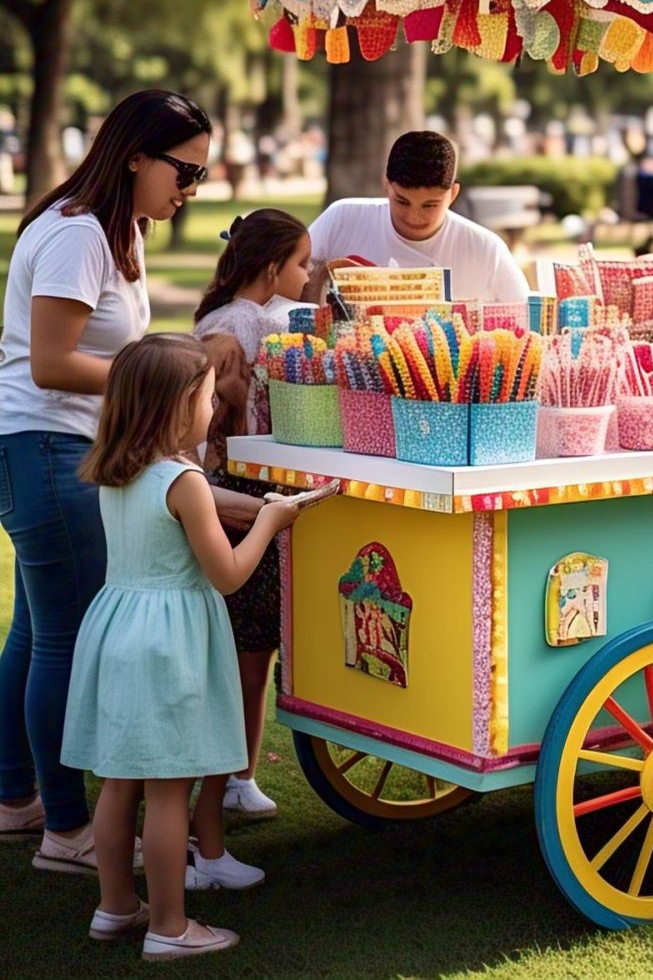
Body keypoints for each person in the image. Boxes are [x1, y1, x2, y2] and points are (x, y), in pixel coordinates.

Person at [0, 89, 212, 869]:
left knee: (35, 632)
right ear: (134, 155)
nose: (189, 191)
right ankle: (65, 829)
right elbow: (51, 362)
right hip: (47, 448)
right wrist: (155, 377)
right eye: (184, 172)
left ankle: (16, 799)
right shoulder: (76, 233)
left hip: (54, 448)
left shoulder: (119, 230)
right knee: (65, 637)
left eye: (200, 175)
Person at [61, 336, 306, 958]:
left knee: (120, 784)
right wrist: (273, 524)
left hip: (118, 629)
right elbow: (226, 574)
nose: (213, 409)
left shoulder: (116, 467)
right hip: (168, 642)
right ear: (176, 409)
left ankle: (115, 906)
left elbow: (178, 516)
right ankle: (170, 927)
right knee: (171, 789)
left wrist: (259, 506)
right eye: (205, 398)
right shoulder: (187, 480)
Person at [192, 209, 312, 837]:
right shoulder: (255, 325)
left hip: (228, 482)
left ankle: (236, 775)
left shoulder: (219, 317)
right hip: (250, 485)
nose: (309, 272)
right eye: (300, 263)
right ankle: (236, 775)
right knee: (251, 644)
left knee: (246, 642)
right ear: (271, 268)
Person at [306, 130, 527, 303]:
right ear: (386, 185)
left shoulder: (485, 249)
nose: (414, 216)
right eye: (402, 201)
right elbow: (286, 283)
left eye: (430, 205)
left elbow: (528, 323)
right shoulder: (343, 219)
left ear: (453, 194)